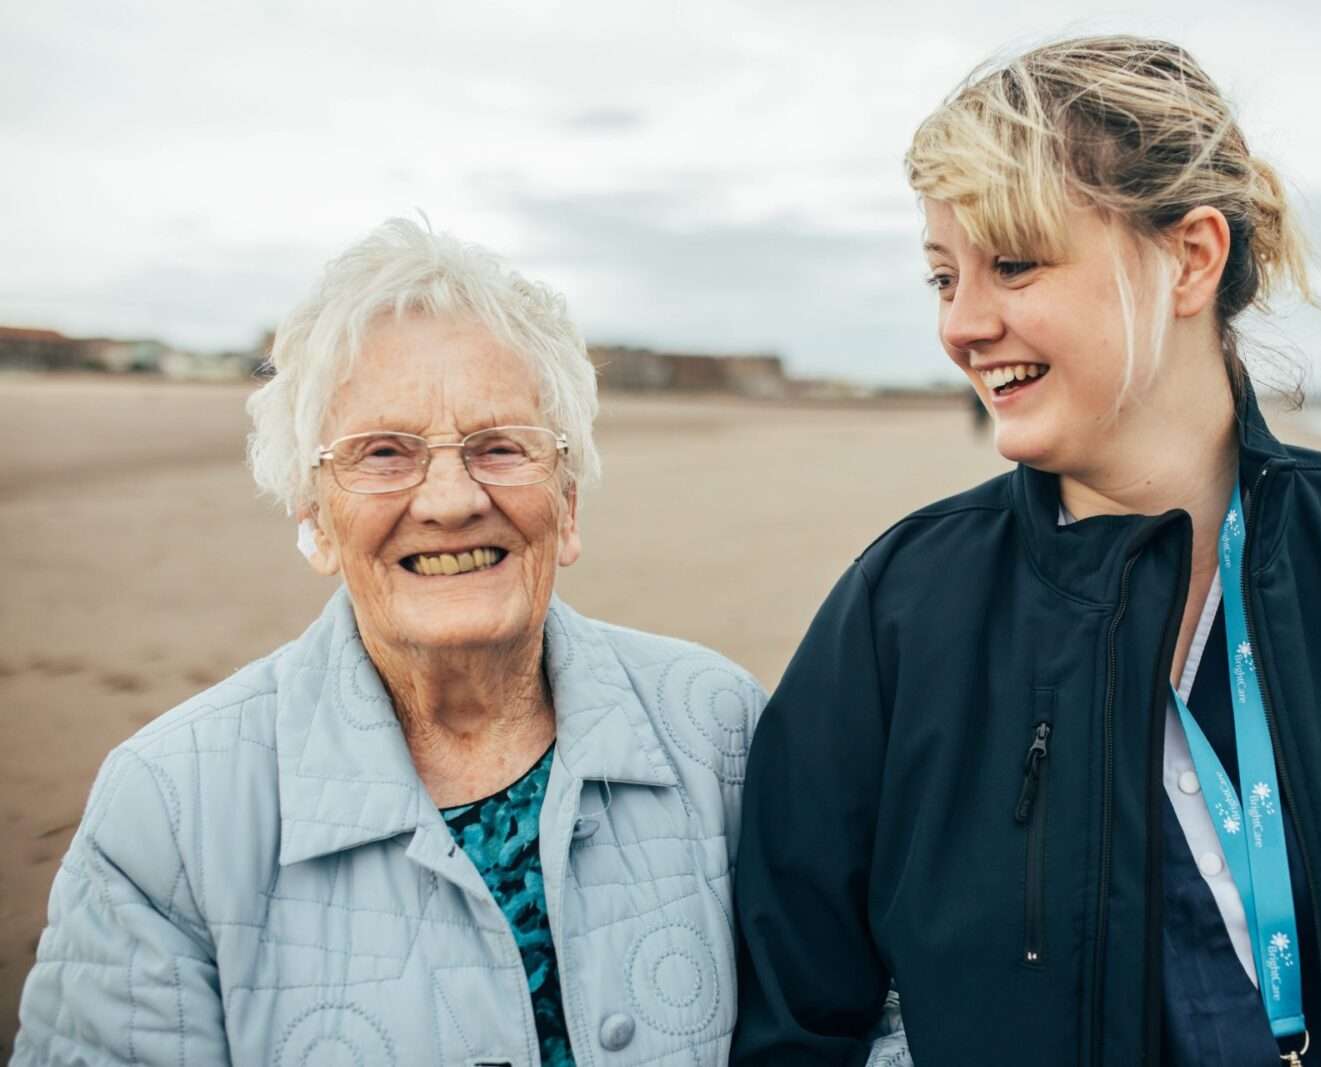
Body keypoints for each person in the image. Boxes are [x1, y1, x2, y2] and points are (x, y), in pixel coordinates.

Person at [732, 35, 1321, 1066]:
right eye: (940, 278)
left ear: (1190, 256)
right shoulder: (899, 614)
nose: (962, 325)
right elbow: (797, 1022)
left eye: (1013, 263)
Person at [13, 219, 768, 1065]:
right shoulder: (169, 810)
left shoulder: (722, 730)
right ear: (314, 515)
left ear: (569, 504)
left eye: (498, 446)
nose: (450, 499)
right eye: (382, 452)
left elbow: (857, 1022)